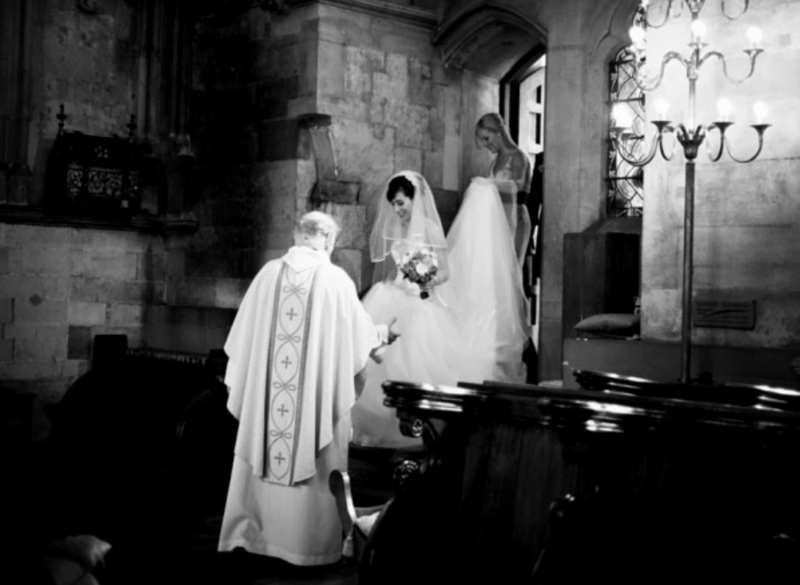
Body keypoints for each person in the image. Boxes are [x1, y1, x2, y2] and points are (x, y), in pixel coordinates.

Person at [218, 211, 397, 566]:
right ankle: (307, 549)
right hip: (313, 404)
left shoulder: (268, 275)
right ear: (328, 240)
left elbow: (242, 339)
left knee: (260, 445)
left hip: (266, 404)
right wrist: (383, 336)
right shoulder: (336, 280)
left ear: (298, 235)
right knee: (318, 450)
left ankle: (251, 535)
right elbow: (356, 340)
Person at [350, 171, 495, 449]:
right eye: (393, 204)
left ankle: (420, 431)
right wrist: (399, 279)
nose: (397, 210)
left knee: (417, 361)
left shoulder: (429, 227)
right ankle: (385, 429)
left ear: (414, 199)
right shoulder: (393, 229)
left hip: (421, 301)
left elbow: (445, 272)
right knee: (379, 361)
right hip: (394, 295)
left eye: (401, 203)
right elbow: (395, 267)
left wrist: (424, 279)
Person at [475, 112, 534, 266]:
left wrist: (490, 185)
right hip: (496, 219)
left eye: (486, 138)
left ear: (499, 132)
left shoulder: (519, 157)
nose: (485, 144)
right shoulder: (494, 163)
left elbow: (520, 186)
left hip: (516, 217)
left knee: (511, 268)